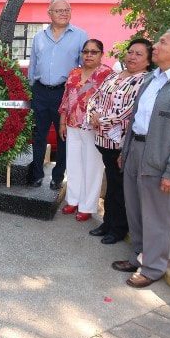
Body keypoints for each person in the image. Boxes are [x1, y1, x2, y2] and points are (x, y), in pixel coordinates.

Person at [112, 28, 170, 288]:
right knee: (135, 209)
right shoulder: (152, 78)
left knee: (158, 216)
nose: (156, 45)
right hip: (135, 152)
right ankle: (141, 255)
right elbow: (136, 119)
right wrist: (126, 150)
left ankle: (153, 268)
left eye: (162, 42)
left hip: (161, 159)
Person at [87, 38, 152, 244]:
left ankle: (118, 228)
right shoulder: (114, 76)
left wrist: (102, 120)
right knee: (112, 184)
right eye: (131, 52)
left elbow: (129, 112)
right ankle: (107, 222)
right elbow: (94, 98)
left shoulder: (144, 81)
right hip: (102, 140)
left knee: (120, 186)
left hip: (121, 144)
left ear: (149, 60)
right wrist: (93, 115)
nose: (132, 57)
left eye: (139, 54)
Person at [26, 0, 88, 189]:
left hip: (65, 93)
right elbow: (33, 65)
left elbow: (85, 66)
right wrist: (32, 88)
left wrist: (79, 95)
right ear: (50, 13)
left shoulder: (80, 35)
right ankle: (36, 175)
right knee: (38, 135)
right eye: (59, 10)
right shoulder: (39, 37)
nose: (63, 13)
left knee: (63, 137)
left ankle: (57, 177)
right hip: (40, 91)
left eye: (67, 10)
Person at [58, 39, 113, 221]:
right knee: (73, 165)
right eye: (86, 51)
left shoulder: (106, 74)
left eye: (94, 52)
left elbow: (110, 102)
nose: (89, 55)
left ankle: (88, 206)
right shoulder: (74, 73)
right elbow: (66, 99)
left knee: (92, 167)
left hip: (93, 128)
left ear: (101, 54)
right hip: (73, 125)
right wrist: (62, 122)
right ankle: (73, 200)